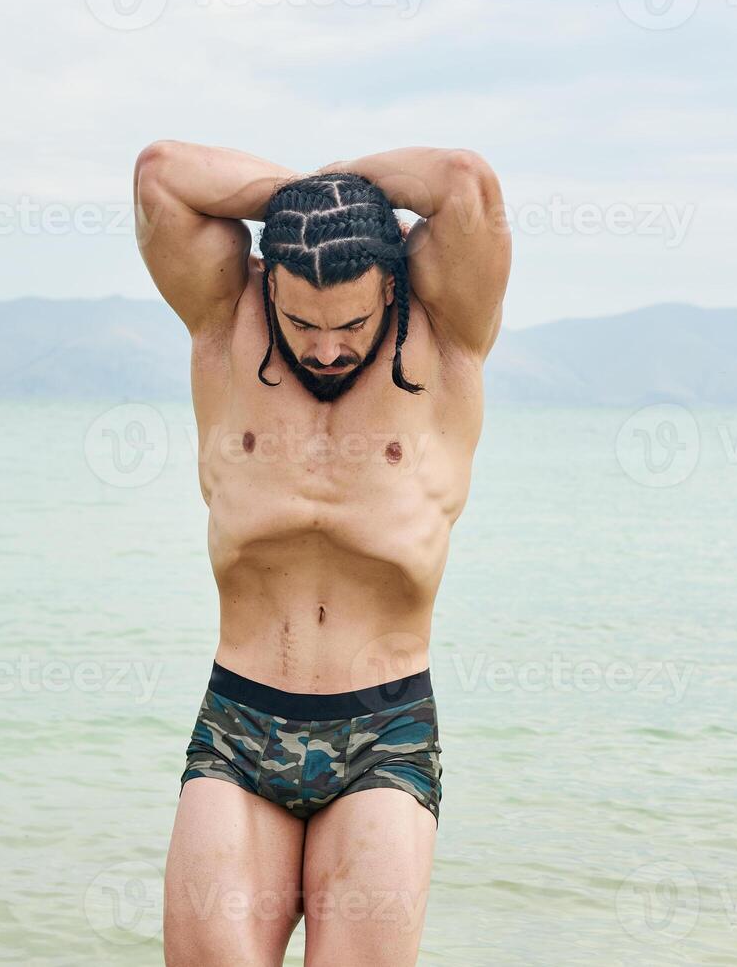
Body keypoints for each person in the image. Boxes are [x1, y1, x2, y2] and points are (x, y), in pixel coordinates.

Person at [133, 142, 512, 966]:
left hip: (382, 732)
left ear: (392, 286)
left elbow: (464, 183)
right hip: (239, 724)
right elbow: (160, 172)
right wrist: (303, 198)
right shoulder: (223, 320)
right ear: (268, 279)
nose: (327, 348)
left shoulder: (447, 335)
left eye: (352, 324)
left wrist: (346, 197)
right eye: (301, 321)